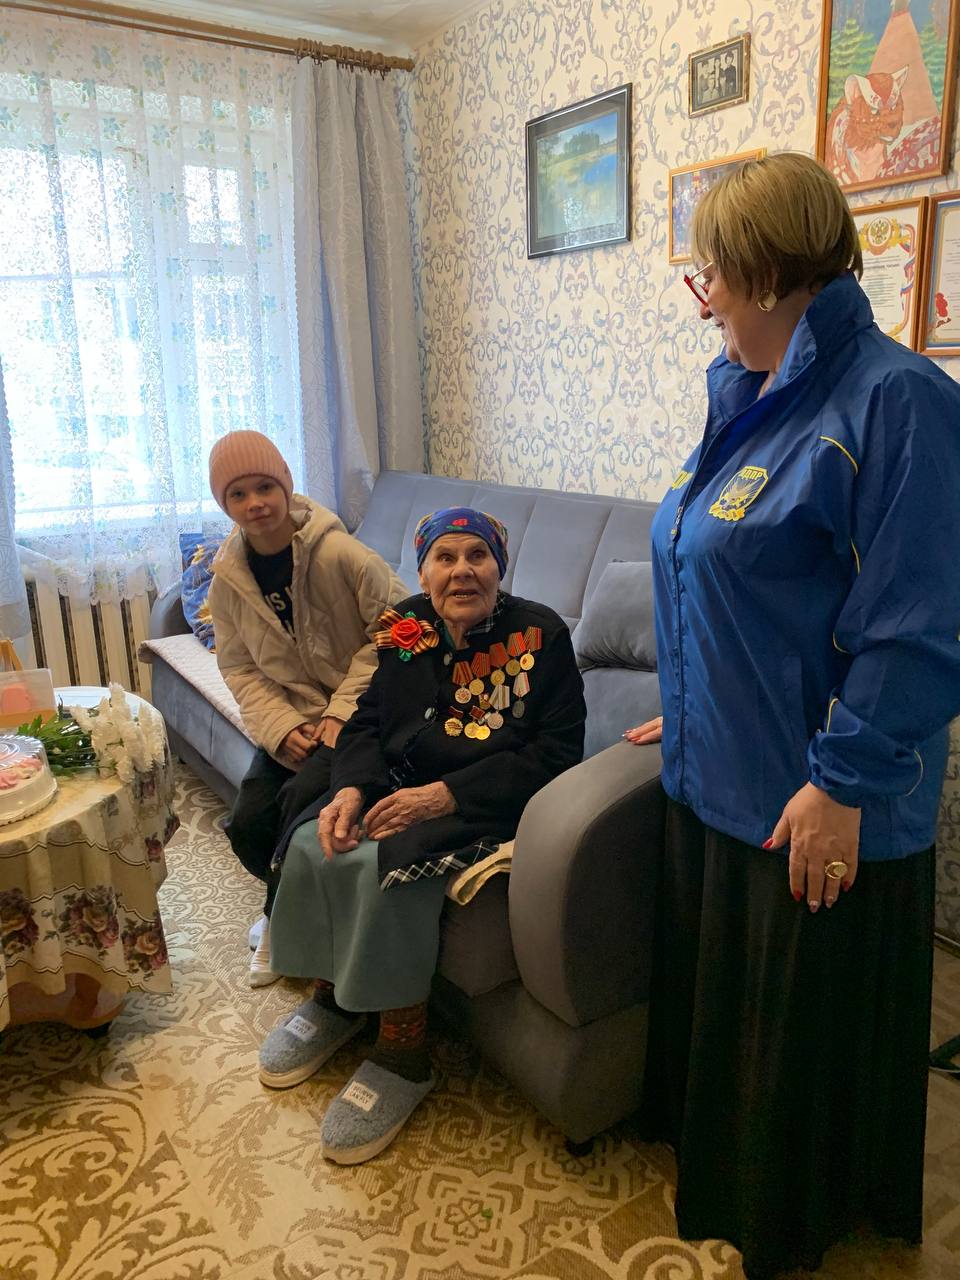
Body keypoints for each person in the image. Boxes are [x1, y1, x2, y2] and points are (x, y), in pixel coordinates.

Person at [628, 152, 960, 1277]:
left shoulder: (897, 399)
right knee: (738, 1027)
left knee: (805, 1037)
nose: (704, 301)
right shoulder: (752, 395)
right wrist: (687, 704)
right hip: (721, 776)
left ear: (769, 273)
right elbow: (716, 578)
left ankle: (802, 1217)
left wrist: (841, 782)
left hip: (815, 800)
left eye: (711, 275)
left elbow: (920, 626)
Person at [258, 508, 586, 1164]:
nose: (462, 570)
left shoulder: (541, 634)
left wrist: (444, 796)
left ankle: (403, 1053)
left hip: (485, 796)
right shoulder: (404, 624)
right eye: (445, 557)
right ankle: (334, 1000)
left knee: (388, 865)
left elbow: (556, 754)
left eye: (477, 555)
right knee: (314, 836)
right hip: (395, 780)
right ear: (424, 570)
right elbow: (368, 717)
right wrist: (352, 789)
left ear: (499, 566)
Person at [206, 430, 407, 986]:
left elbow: (400, 630)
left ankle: (278, 920)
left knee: (298, 807)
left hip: (360, 716)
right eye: (238, 494)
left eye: (265, 487)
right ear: (225, 504)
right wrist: (282, 725)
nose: (255, 503)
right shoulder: (227, 582)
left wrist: (341, 711)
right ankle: (290, 901)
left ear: (286, 486)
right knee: (247, 823)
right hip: (293, 719)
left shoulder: (342, 554)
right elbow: (239, 668)